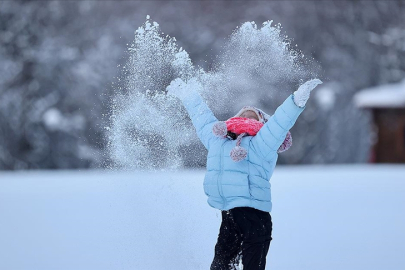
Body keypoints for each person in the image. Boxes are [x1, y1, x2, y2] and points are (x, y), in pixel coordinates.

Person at [166, 77, 322, 270]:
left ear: (262, 123)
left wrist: (296, 101)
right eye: (243, 116)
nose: (247, 119)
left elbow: (279, 123)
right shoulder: (219, 141)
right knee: (220, 266)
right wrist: (188, 95)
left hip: (255, 216)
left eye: (253, 117)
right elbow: (203, 119)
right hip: (230, 215)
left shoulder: (263, 143)